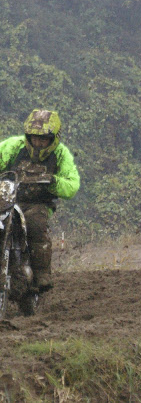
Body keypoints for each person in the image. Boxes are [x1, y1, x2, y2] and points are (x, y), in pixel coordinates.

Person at [0, 110, 80, 291]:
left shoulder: (61, 155)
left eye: (43, 139)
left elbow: (72, 186)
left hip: (38, 204)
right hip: (7, 199)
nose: (38, 143)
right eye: (34, 138)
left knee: (35, 224)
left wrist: (54, 181)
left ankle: (41, 273)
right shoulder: (14, 146)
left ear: (54, 139)